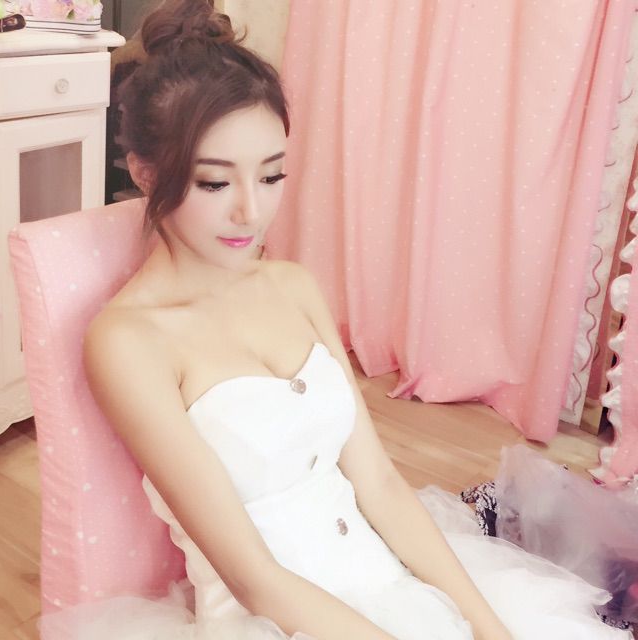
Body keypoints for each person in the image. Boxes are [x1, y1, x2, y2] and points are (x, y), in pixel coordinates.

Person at [38, 1, 633, 638]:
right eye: (214, 183)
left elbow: (379, 483)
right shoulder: (128, 342)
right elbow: (254, 579)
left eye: (272, 176)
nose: (251, 211)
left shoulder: (291, 286)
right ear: (144, 173)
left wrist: (490, 628)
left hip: (389, 591)